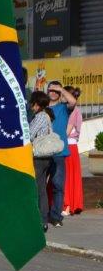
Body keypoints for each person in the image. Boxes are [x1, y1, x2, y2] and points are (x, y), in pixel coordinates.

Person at [45, 81, 76, 227]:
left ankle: (55, 216)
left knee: (58, 185)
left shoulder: (64, 108)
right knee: (38, 185)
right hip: (42, 153)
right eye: (51, 89)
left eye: (56, 91)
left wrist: (61, 89)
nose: (53, 92)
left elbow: (73, 101)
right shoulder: (41, 108)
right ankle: (41, 214)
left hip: (59, 153)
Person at [29, 91, 56, 233]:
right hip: (45, 158)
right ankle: (42, 219)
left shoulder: (40, 117)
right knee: (41, 189)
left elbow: (29, 135)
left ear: (37, 105)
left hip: (38, 158)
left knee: (38, 189)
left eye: (32, 103)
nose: (31, 106)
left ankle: (41, 220)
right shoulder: (46, 115)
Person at [63, 85, 84, 217]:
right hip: (72, 146)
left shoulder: (73, 111)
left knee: (67, 177)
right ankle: (72, 204)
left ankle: (68, 205)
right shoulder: (76, 111)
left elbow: (67, 132)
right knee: (71, 176)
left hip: (69, 146)